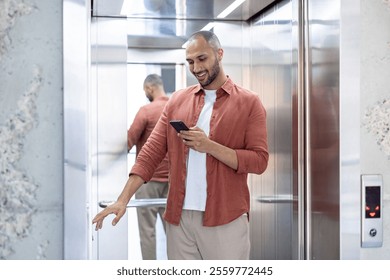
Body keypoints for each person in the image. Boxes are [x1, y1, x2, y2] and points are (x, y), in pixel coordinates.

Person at [93, 30, 269, 260]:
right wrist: (122, 199)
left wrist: (209, 146)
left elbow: (259, 161)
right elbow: (150, 154)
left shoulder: (249, 102)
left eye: (202, 59)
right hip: (179, 220)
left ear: (219, 54)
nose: (196, 68)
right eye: (190, 62)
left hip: (226, 219)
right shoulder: (177, 100)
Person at [127, 74, 169, 260]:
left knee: (147, 232)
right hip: (172, 180)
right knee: (174, 231)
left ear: (150, 88)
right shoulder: (176, 107)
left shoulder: (146, 111)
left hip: (148, 181)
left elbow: (129, 140)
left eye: (145, 90)